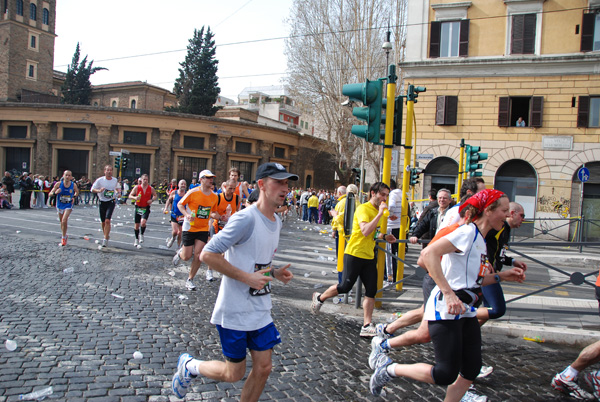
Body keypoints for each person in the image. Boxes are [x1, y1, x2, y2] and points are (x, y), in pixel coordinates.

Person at [369, 189, 526, 401]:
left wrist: (503, 276)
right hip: (446, 308)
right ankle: (388, 370)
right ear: (488, 210)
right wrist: (448, 293)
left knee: (471, 368)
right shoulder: (467, 232)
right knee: (445, 373)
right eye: (504, 210)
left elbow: (475, 281)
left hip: (466, 310)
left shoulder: (479, 238)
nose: (508, 216)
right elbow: (427, 254)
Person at [171, 162, 296, 400]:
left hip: (260, 309)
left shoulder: (276, 222)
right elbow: (207, 254)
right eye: (278, 182)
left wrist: (275, 273)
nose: (284, 188)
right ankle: (189, 366)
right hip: (235, 310)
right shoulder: (245, 219)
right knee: (234, 373)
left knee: (263, 367)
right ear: (261, 184)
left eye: (286, 183)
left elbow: (257, 264)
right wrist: (246, 277)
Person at [310, 182, 397, 337]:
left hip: (369, 255)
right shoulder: (364, 208)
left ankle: (366, 325)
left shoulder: (380, 211)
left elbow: (373, 233)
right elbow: (364, 231)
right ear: (373, 193)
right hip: (354, 253)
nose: (384, 198)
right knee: (345, 286)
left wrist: (384, 236)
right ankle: (320, 297)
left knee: (371, 290)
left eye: (386, 195)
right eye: (382, 194)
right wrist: (379, 215)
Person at [172, 170, 220, 287]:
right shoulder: (193, 192)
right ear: (201, 179)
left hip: (203, 228)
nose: (211, 180)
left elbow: (212, 211)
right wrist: (186, 215)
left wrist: (217, 216)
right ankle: (180, 253)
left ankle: (190, 279)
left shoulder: (214, 196)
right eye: (208, 178)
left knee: (198, 255)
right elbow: (180, 204)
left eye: (212, 178)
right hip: (189, 227)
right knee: (186, 256)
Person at [91, 165, 121, 248]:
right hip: (102, 202)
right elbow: (92, 189)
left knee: (107, 220)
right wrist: (99, 190)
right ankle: (106, 234)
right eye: (107, 170)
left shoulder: (115, 180)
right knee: (103, 222)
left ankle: (105, 239)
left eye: (111, 170)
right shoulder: (100, 180)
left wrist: (119, 193)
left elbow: (118, 188)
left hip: (111, 202)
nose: (109, 172)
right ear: (104, 171)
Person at [49, 170, 79, 247]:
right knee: (62, 222)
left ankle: (63, 238)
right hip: (60, 205)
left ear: (71, 177)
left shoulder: (73, 185)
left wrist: (74, 197)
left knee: (64, 220)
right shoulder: (59, 184)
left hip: (68, 205)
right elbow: (50, 194)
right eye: (66, 175)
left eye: (69, 175)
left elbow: (77, 192)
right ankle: (65, 235)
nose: (67, 177)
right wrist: (55, 192)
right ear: (63, 176)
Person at [128, 174, 158, 249]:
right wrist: (135, 197)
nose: (145, 181)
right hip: (138, 207)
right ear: (141, 180)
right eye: (144, 179)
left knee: (143, 222)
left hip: (146, 207)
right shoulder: (137, 187)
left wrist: (152, 200)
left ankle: (142, 234)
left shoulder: (150, 188)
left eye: (147, 180)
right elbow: (130, 195)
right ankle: (136, 239)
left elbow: (155, 195)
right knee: (137, 225)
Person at [385, 179, 403, 285]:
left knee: (389, 253)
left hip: (392, 226)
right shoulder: (402, 193)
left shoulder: (392, 194)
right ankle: (396, 275)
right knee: (396, 253)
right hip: (399, 226)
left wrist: (389, 214)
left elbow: (391, 206)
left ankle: (390, 277)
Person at [163, 179, 187, 249]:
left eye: (184, 184)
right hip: (174, 214)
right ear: (178, 185)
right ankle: (173, 238)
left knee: (180, 233)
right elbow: (169, 200)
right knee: (175, 231)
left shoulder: (187, 194)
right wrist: (165, 208)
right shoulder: (174, 193)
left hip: (182, 216)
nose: (183, 185)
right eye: (181, 184)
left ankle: (178, 246)